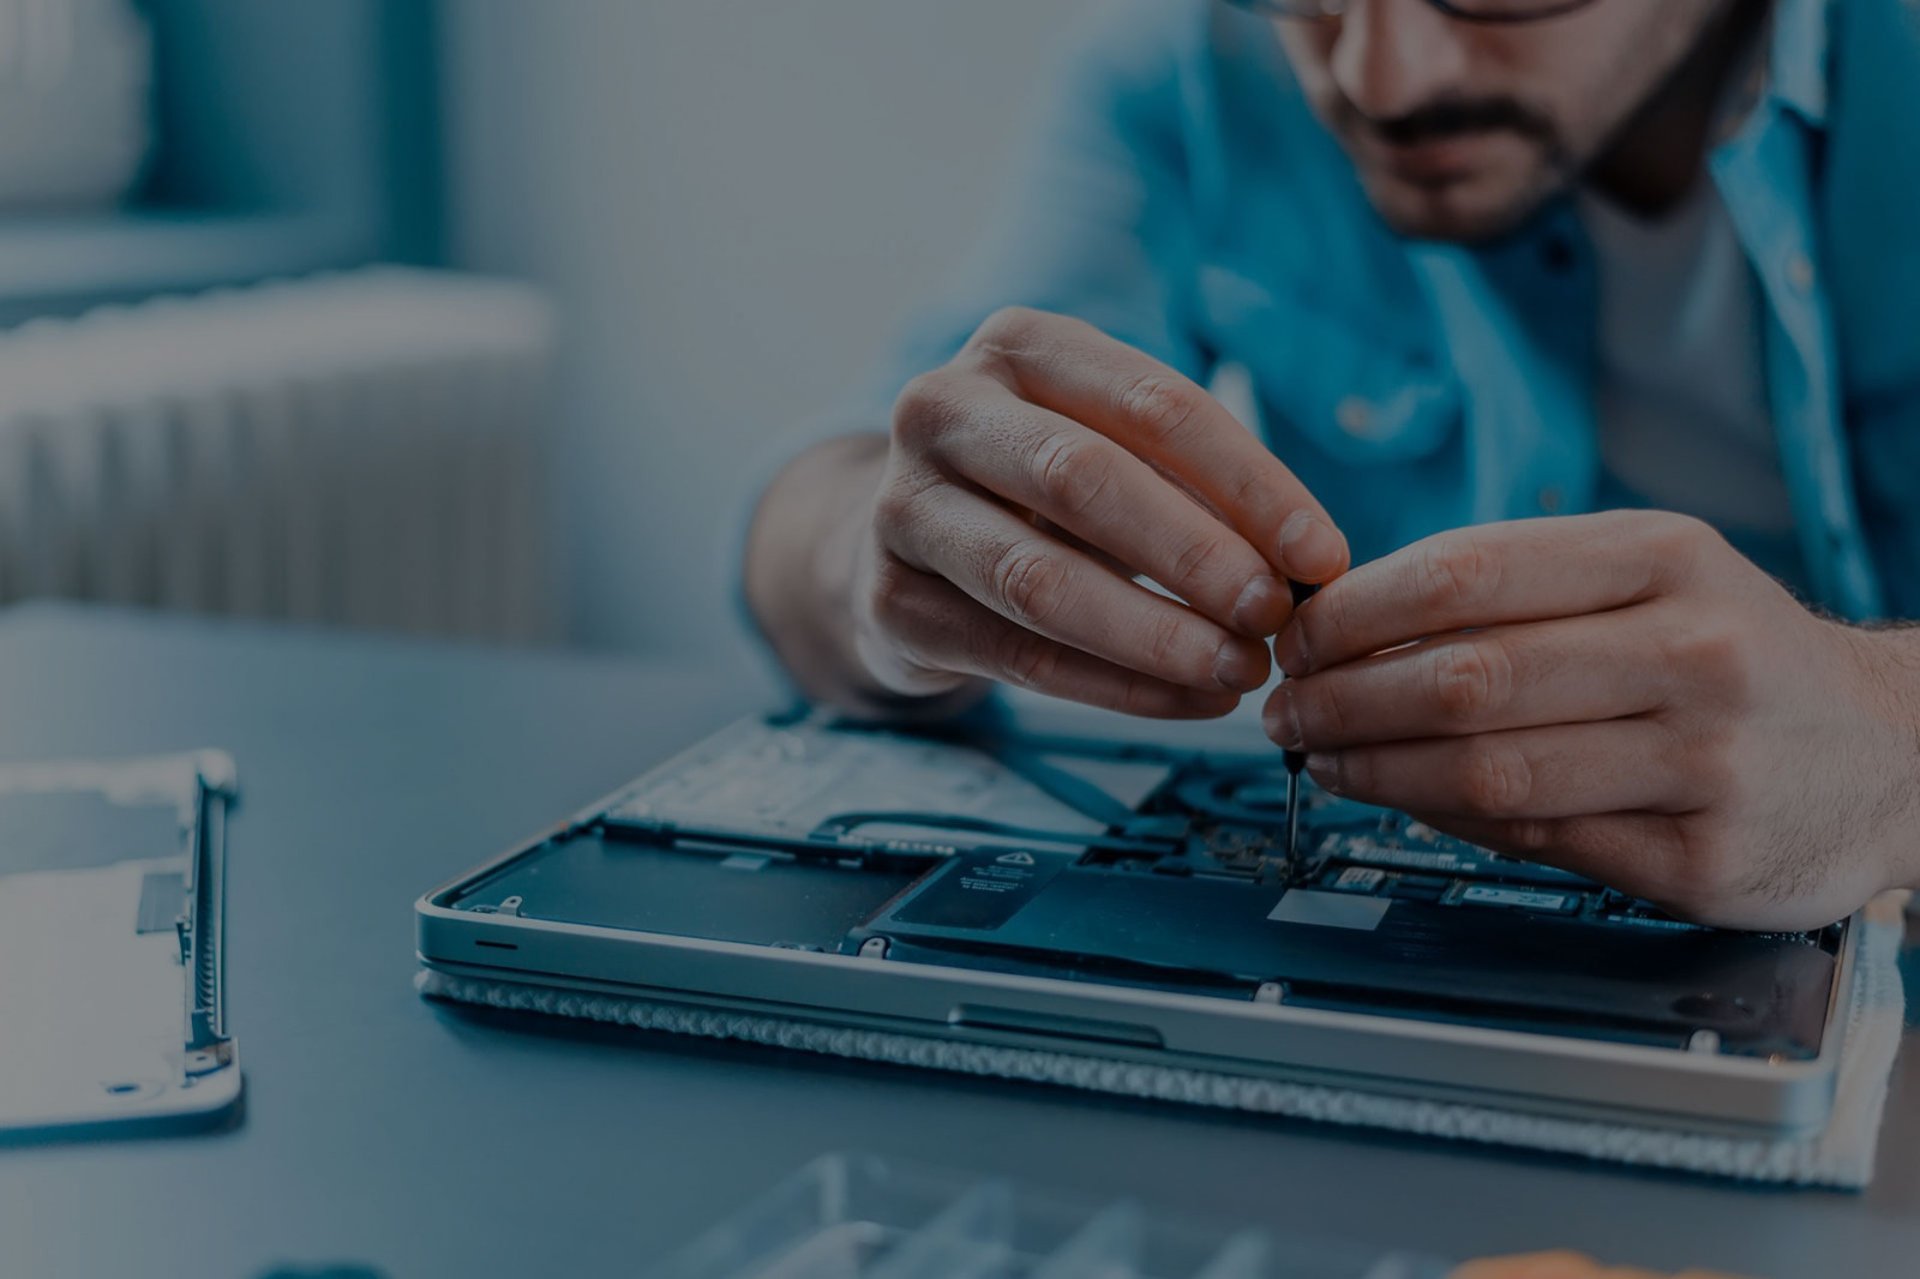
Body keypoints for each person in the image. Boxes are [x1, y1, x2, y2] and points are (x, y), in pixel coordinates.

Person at [742, 0, 1920, 932]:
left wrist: (1886, 747)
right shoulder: (1190, 64)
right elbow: (826, 497)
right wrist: (882, 567)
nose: (1376, 78)